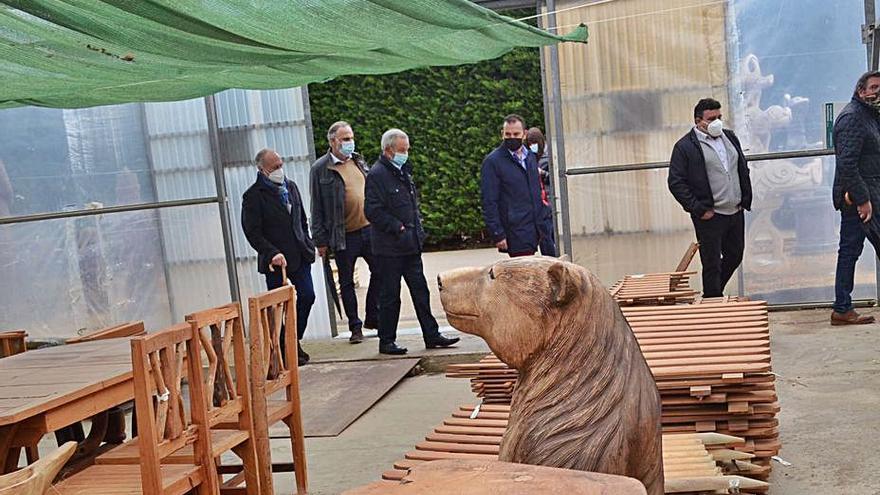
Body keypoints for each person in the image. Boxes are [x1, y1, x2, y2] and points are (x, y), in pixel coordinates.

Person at [364, 128, 460, 355]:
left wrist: (417, 230)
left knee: (420, 292)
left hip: (410, 245)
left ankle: (432, 334)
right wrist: (397, 227)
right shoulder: (377, 175)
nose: (406, 154)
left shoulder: (402, 170)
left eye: (406, 149)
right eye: (402, 150)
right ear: (388, 151)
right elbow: (372, 210)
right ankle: (386, 340)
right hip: (389, 249)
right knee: (390, 296)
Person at [667, 98, 752, 298]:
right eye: (711, 118)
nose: (717, 122)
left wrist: (744, 197)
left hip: (735, 211)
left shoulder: (729, 137)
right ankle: (713, 301)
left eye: (719, 117)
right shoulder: (685, 147)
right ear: (699, 121)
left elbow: (740, 167)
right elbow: (676, 182)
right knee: (711, 262)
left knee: (735, 254)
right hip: (710, 215)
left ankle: (713, 292)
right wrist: (698, 208)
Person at [242, 148, 316, 366]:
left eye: (280, 165)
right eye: (274, 167)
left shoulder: (290, 187)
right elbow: (252, 231)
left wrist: (307, 242)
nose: (279, 170)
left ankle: (291, 339)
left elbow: (301, 218)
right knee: (278, 306)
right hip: (276, 262)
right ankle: (285, 348)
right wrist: (271, 252)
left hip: (299, 254)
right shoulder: (253, 196)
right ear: (262, 169)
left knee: (307, 296)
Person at [310, 121, 380, 343]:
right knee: (347, 282)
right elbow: (317, 207)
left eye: (351, 137)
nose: (350, 142)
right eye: (345, 139)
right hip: (343, 235)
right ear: (333, 141)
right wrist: (320, 240)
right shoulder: (320, 169)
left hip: (369, 229)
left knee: (381, 272)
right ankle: (355, 327)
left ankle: (373, 316)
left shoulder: (358, 161)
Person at [829, 70, 880, 325]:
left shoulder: (869, 116)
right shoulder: (853, 118)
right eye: (874, 88)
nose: (877, 93)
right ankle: (842, 307)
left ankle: (842, 307)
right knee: (849, 251)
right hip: (859, 200)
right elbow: (847, 164)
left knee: (850, 250)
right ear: (861, 91)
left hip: (870, 194)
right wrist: (861, 199)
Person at [480, 114, 546, 257]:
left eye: (516, 134)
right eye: (507, 134)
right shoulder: (493, 162)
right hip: (516, 230)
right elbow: (489, 201)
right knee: (523, 274)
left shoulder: (530, 157)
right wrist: (498, 234)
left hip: (539, 228)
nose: (512, 137)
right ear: (502, 134)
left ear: (524, 134)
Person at [525, 127, 558, 257]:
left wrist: (542, 174)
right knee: (544, 235)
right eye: (530, 143)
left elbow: (555, 177)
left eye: (534, 143)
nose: (532, 146)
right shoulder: (529, 156)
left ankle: (553, 258)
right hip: (537, 200)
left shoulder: (549, 155)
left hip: (549, 198)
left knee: (550, 233)